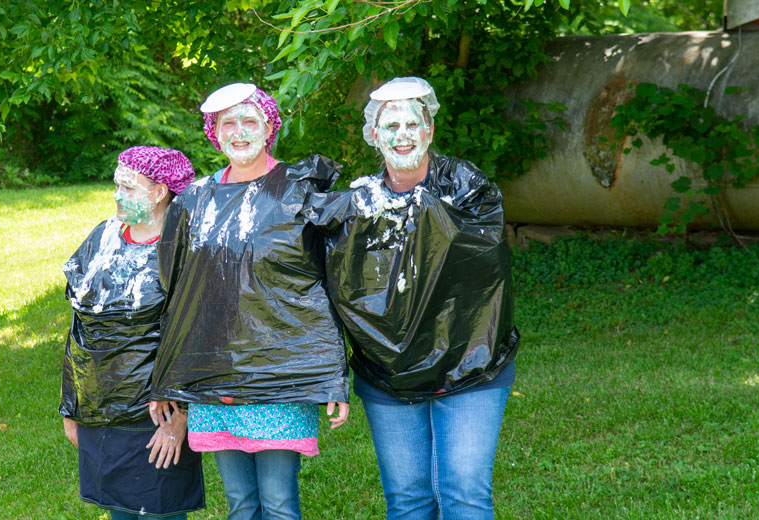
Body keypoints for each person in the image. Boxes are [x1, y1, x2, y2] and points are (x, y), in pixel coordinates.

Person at [303, 77, 520, 520]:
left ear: (429, 131)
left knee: (464, 493)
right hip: (387, 373)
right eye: (391, 126)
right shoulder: (358, 204)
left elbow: (479, 265)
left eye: (412, 124)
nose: (402, 135)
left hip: (470, 364)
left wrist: (417, 213)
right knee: (408, 501)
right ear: (373, 135)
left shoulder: (466, 187)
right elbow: (330, 284)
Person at [149, 83, 350, 520]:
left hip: (280, 376)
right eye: (228, 123)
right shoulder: (195, 201)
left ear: (269, 127)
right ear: (214, 132)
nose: (239, 132)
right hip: (217, 377)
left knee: (278, 503)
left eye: (249, 120)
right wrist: (167, 380)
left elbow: (329, 287)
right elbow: (179, 296)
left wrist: (330, 377)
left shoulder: (298, 190)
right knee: (240, 504)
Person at [60, 146, 203, 520]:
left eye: (129, 187)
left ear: (160, 192)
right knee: (119, 512)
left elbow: (200, 337)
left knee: (159, 512)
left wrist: (182, 417)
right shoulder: (103, 238)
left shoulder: (183, 248)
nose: (117, 196)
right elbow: (79, 327)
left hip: (156, 414)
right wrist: (72, 406)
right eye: (116, 186)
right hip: (100, 409)